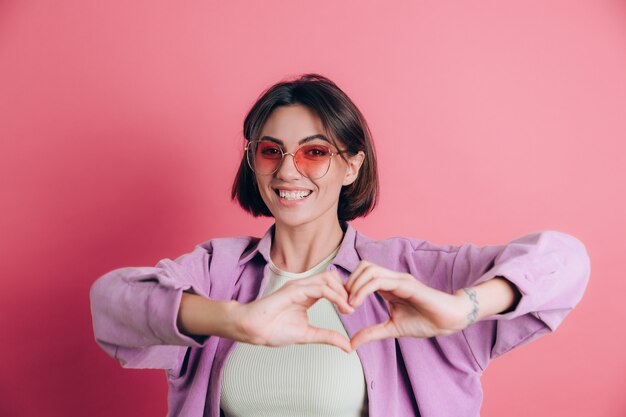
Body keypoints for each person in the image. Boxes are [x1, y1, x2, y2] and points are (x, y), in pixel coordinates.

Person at [89, 73, 591, 417]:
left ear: (351, 165)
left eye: (314, 153)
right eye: (271, 151)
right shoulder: (220, 272)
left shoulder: (411, 276)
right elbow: (110, 301)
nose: (288, 170)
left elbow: (568, 260)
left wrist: (463, 308)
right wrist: (234, 320)